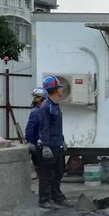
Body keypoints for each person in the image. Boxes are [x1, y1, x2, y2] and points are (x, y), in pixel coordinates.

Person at [36, 75, 68, 208]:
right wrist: (45, 146)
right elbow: (44, 128)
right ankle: (44, 199)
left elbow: (57, 126)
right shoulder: (46, 107)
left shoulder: (55, 106)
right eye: (60, 87)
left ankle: (57, 196)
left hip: (57, 144)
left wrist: (63, 140)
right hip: (49, 145)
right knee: (47, 174)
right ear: (55, 89)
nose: (62, 89)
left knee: (58, 172)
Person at [25, 88, 45, 179]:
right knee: (43, 170)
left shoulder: (38, 111)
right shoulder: (37, 112)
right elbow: (30, 127)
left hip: (40, 143)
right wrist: (30, 141)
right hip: (38, 144)